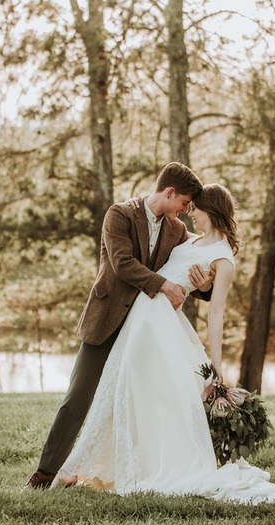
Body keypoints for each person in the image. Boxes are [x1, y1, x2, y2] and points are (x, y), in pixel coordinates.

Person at [50, 183, 275, 505]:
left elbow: (216, 313)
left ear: (211, 211)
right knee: (128, 393)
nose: (190, 214)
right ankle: (91, 466)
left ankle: (94, 468)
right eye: (188, 206)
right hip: (146, 314)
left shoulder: (223, 260)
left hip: (158, 322)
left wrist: (216, 367)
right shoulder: (192, 239)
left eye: (195, 208)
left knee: (141, 393)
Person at [25, 162, 210, 489]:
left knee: (141, 402)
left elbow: (192, 266)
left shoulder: (177, 230)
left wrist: (205, 283)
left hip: (145, 332)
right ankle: (45, 474)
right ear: (170, 192)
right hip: (106, 320)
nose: (185, 211)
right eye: (183, 203)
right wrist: (164, 285)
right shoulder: (119, 215)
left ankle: (126, 472)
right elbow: (123, 264)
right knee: (78, 398)